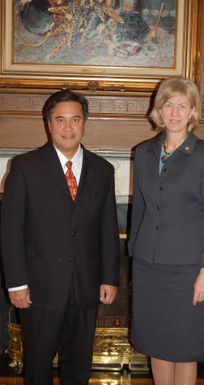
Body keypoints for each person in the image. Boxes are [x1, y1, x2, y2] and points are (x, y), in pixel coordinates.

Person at [1, 89, 120, 385]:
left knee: (79, 364)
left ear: (84, 123)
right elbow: (10, 230)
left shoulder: (102, 170)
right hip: (39, 287)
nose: (68, 128)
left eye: (75, 120)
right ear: (49, 124)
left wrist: (109, 277)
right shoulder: (25, 167)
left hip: (86, 285)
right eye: (61, 120)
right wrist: (16, 282)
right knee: (38, 364)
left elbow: (108, 227)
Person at [128, 77, 204, 385]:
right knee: (157, 342)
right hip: (149, 266)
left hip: (189, 269)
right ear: (158, 110)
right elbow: (141, 208)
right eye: (168, 105)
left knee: (184, 347)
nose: (174, 113)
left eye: (182, 106)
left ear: (192, 112)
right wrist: (135, 251)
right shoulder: (144, 153)